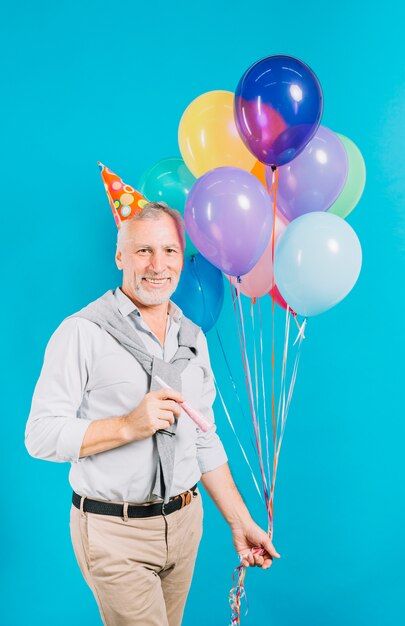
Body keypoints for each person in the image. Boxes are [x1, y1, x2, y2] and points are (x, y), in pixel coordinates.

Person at [25, 164, 279, 626]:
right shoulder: (82, 332)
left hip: (185, 525)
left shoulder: (192, 338)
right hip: (113, 531)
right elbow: (39, 435)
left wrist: (238, 520)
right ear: (120, 255)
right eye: (143, 250)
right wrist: (128, 426)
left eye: (169, 250)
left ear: (183, 257)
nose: (157, 265)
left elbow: (204, 439)